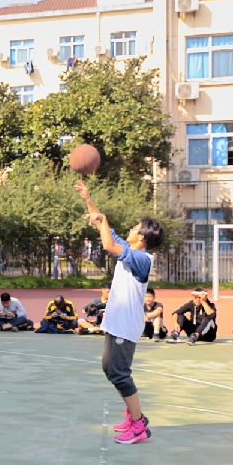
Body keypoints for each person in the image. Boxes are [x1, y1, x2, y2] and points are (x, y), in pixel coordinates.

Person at [76, 180, 164, 445]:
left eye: (135, 227)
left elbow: (108, 244)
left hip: (126, 326)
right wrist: (89, 200)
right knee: (110, 369)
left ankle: (139, 425)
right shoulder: (129, 250)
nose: (131, 228)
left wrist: (102, 221)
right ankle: (132, 414)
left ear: (142, 237)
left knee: (119, 374)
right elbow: (106, 229)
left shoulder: (143, 259)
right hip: (116, 323)